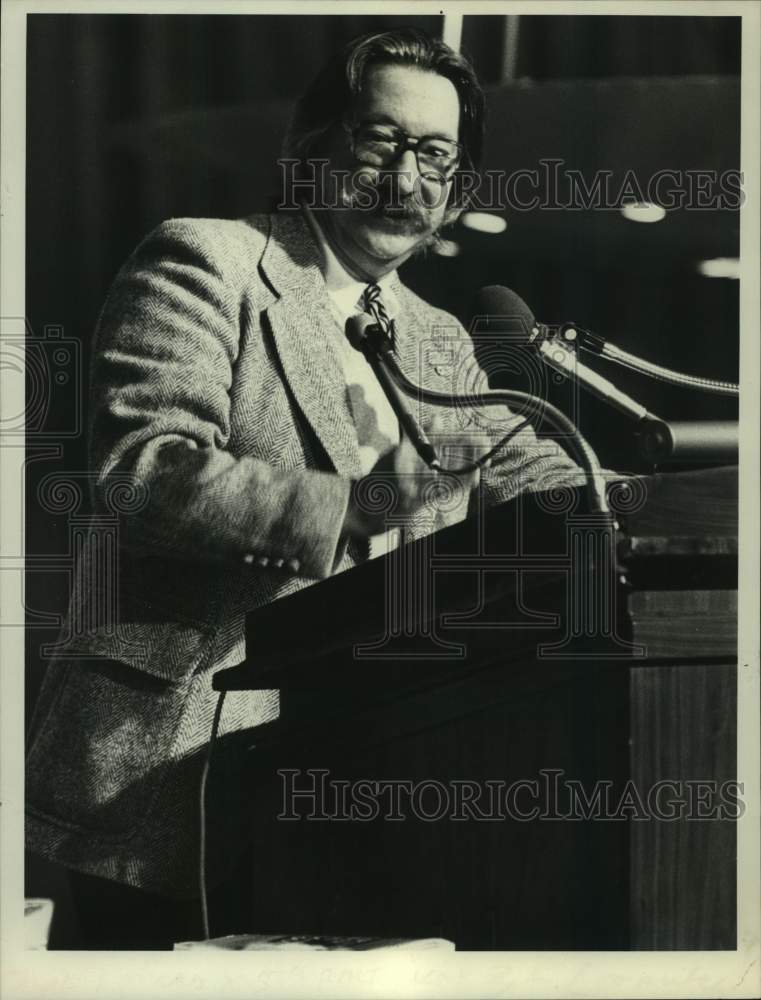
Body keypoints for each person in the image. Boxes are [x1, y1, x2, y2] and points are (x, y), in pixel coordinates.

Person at [25, 28, 581, 949]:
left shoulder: (440, 336)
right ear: (311, 147)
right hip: (175, 771)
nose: (406, 175)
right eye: (379, 140)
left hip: (368, 768)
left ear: (457, 185)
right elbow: (141, 474)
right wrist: (356, 504)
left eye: (435, 154)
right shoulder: (208, 261)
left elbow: (538, 476)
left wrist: (637, 504)